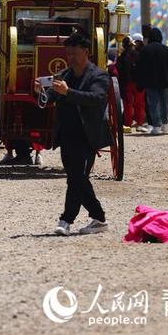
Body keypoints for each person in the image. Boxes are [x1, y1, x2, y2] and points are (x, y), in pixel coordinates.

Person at [34, 32, 110, 236]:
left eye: (75, 53)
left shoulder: (99, 75)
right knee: (76, 177)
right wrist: (41, 91)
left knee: (75, 178)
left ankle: (66, 220)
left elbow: (96, 98)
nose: (71, 58)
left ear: (86, 52)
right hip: (66, 134)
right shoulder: (65, 75)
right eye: (68, 54)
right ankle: (99, 218)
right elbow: (48, 98)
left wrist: (69, 93)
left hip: (87, 134)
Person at [136, 28, 168, 135]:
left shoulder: (145, 50)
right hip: (165, 81)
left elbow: (139, 68)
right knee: (165, 102)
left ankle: (156, 125)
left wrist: (140, 82)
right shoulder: (167, 50)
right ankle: (165, 123)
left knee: (153, 104)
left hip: (150, 82)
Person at [117, 35, 148, 132]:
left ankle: (128, 125)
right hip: (138, 83)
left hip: (126, 83)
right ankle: (139, 124)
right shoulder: (138, 54)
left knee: (128, 104)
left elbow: (119, 71)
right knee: (139, 104)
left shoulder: (120, 57)